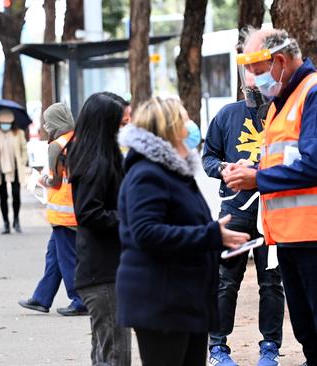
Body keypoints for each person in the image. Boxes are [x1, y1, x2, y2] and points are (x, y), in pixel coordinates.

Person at [116, 97, 250, 366]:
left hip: (185, 299)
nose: (191, 125)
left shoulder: (175, 172)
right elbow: (147, 233)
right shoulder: (147, 173)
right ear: (169, 128)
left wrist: (223, 245)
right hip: (161, 301)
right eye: (184, 119)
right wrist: (211, 236)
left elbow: (189, 228)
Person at [223, 28, 317, 366]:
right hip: (289, 238)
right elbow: (284, 158)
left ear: (279, 61)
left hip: (312, 237)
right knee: (307, 333)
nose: (254, 81)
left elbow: (314, 164)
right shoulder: (281, 103)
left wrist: (257, 178)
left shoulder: (311, 94)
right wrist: (252, 169)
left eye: (258, 71)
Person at [202, 53, 284, 365]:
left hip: (273, 213)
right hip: (234, 212)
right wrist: (224, 168)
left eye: (262, 69)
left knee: (271, 282)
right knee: (225, 281)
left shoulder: (283, 113)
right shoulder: (226, 115)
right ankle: (218, 348)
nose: (256, 76)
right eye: (250, 70)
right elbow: (208, 157)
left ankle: (270, 348)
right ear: (241, 75)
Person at [68, 93, 132, 365]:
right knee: (115, 354)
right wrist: (129, 220)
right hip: (102, 272)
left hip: (104, 270)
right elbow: (88, 213)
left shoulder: (102, 157)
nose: (126, 129)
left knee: (105, 352)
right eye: (122, 123)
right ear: (106, 125)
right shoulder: (97, 163)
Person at [17, 102, 87, 317]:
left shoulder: (57, 146)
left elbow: (56, 182)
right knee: (54, 256)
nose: (46, 126)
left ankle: (79, 300)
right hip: (75, 209)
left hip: (62, 212)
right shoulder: (79, 139)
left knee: (67, 259)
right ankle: (42, 297)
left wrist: (42, 178)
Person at [0, 109, 28, 234]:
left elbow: (24, 149)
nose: (6, 125)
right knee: (3, 197)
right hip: (0, 169)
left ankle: (16, 220)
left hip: (15, 168)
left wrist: (22, 161)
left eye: (8, 122)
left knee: (16, 195)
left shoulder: (19, 133)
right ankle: (5, 222)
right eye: (3, 123)